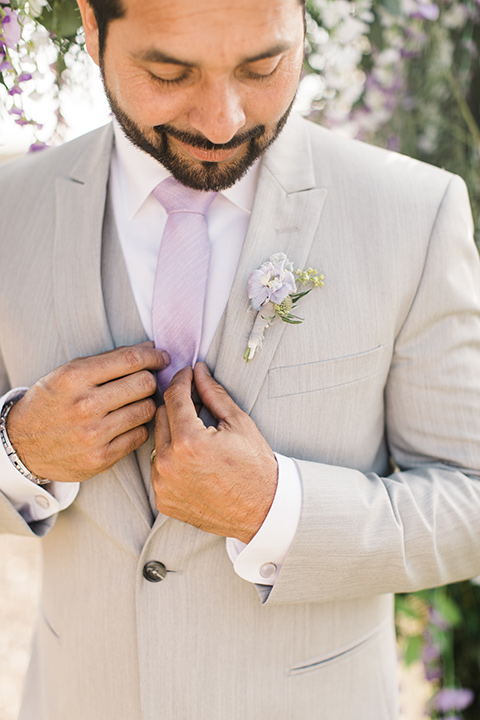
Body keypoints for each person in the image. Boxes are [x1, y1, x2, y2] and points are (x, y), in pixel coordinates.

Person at [1, 0, 480, 717]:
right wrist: (19, 451)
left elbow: (470, 497)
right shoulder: (9, 210)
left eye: (264, 66)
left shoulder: (415, 212)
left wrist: (277, 511)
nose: (223, 122)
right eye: (168, 72)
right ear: (93, 29)